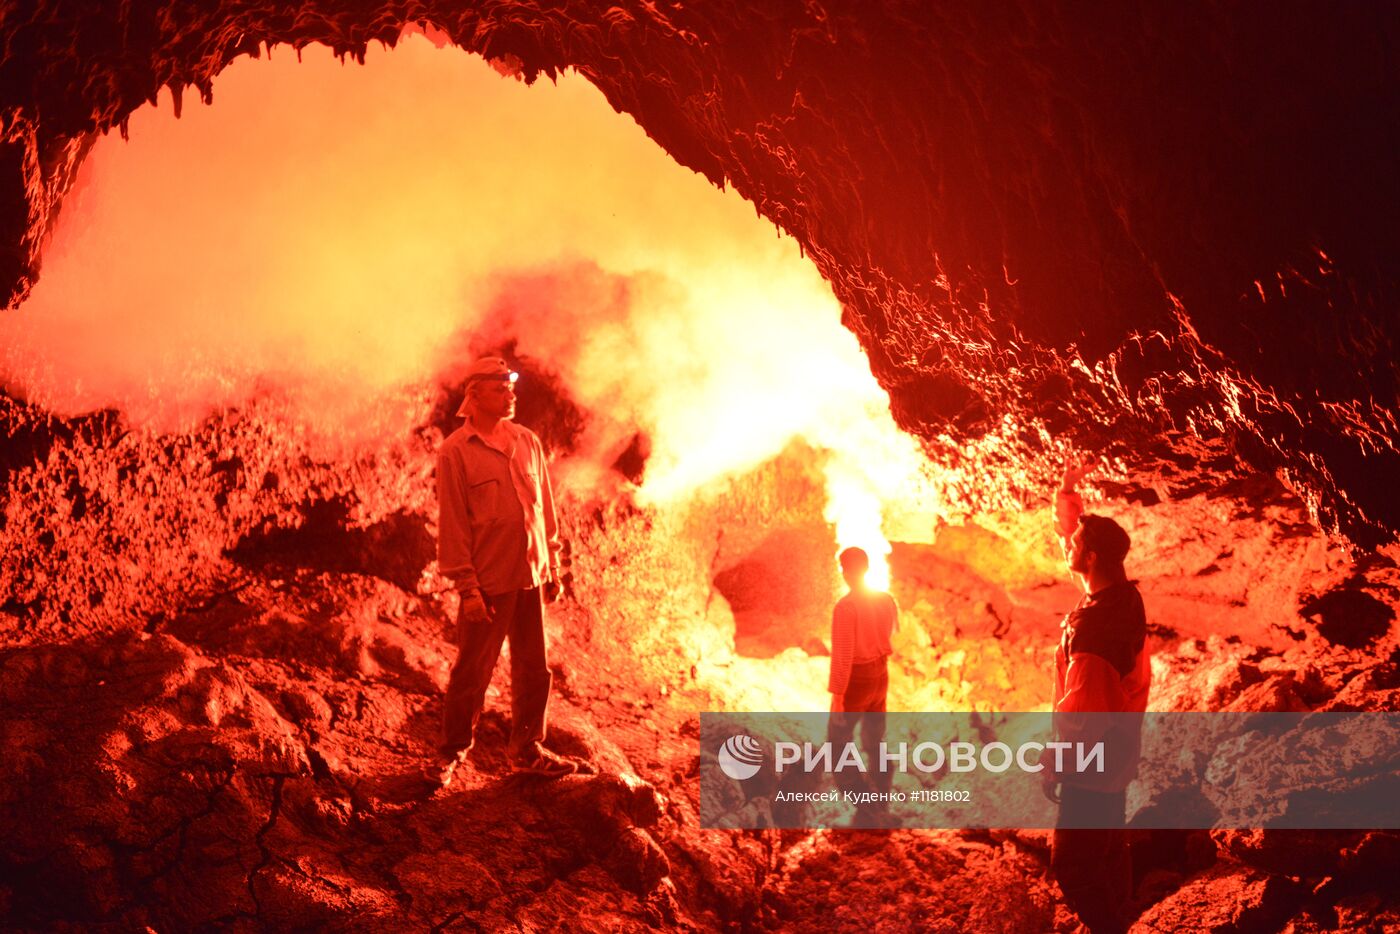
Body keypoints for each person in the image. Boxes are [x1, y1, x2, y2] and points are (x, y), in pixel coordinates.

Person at [433, 356, 574, 784]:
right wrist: (467, 589)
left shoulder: (527, 441)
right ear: (473, 395)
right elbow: (453, 524)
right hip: (489, 583)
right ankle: (451, 752)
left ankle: (526, 748)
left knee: (534, 669)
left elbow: (544, 510)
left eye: (511, 388)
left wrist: (554, 567)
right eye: (499, 388)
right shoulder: (456, 451)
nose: (510, 394)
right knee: (472, 671)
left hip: (530, 576)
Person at [1043, 459, 1152, 934]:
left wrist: (1054, 763)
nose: (1068, 545)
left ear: (1090, 559)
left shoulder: (1092, 635)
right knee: (1109, 848)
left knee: (1073, 865)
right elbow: (1081, 542)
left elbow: (1085, 717)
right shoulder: (1121, 594)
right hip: (1121, 751)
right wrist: (1069, 495)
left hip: (1093, 759)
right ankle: (1121, 918)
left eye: (1076, 545)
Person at [827, 546, 899, 825]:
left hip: (856, 680)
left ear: (844, 571)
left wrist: (838, 698)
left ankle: (867, 810)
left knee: (838, 747)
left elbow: (843, 655)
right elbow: (890, 634)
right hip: (880, 674)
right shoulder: (886, 600)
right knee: (874, 741)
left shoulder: (845, 608)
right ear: (868, 568)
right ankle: (881, 803)